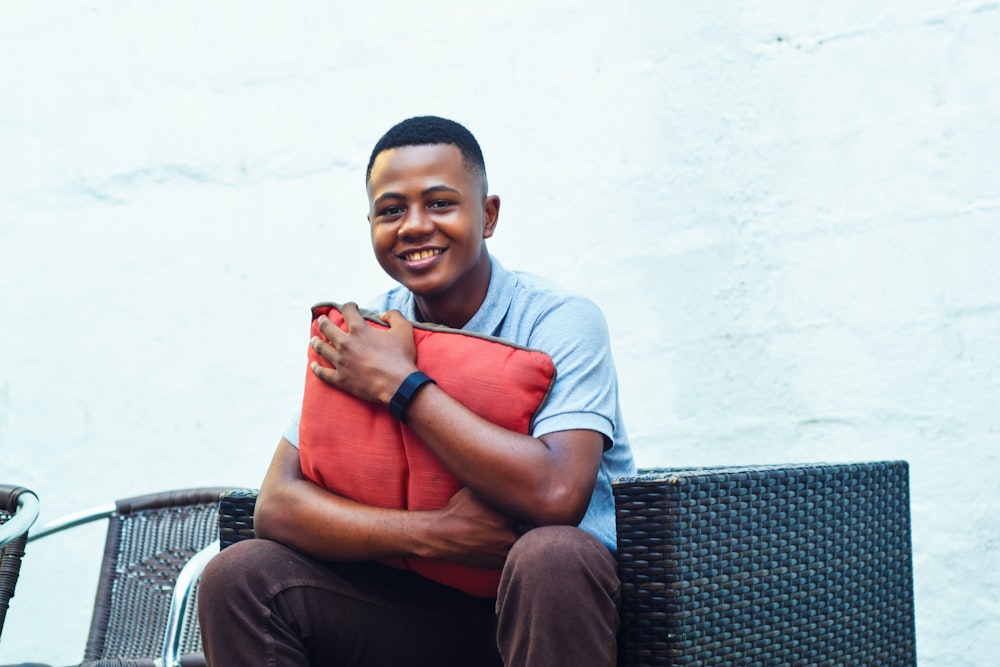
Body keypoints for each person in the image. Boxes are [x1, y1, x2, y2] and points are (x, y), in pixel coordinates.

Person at [198, 115, 636, 666]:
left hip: (549, 605)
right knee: (239, 574)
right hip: (411, 610)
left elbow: (556, 495)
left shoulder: (560, 320)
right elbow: (277, 505)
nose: (413, 226)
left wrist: (400, 386)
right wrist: (434, 534)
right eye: (390, 210)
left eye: (439, 203)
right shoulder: (364, 331)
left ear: (489, 215)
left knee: (554, 553)